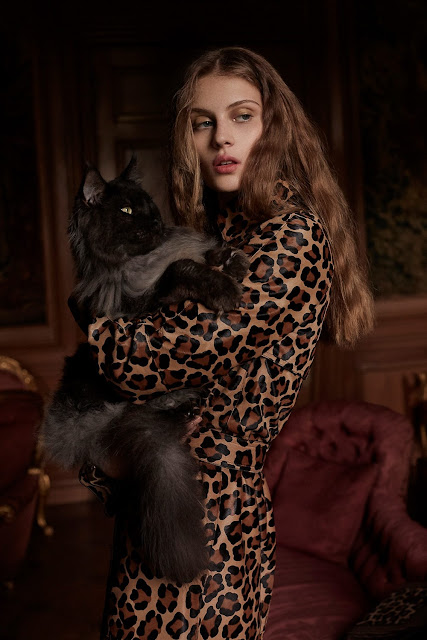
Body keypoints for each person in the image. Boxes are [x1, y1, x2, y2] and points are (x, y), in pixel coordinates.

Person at [79, 46, 375, 640]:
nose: (221, 138)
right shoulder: (226, 236)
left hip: (210, 514)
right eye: (202, 122)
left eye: (242, 116)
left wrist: (95, 322)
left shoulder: (290, 238)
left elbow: (151, 359)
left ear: (275, 127)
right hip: (167, 494)